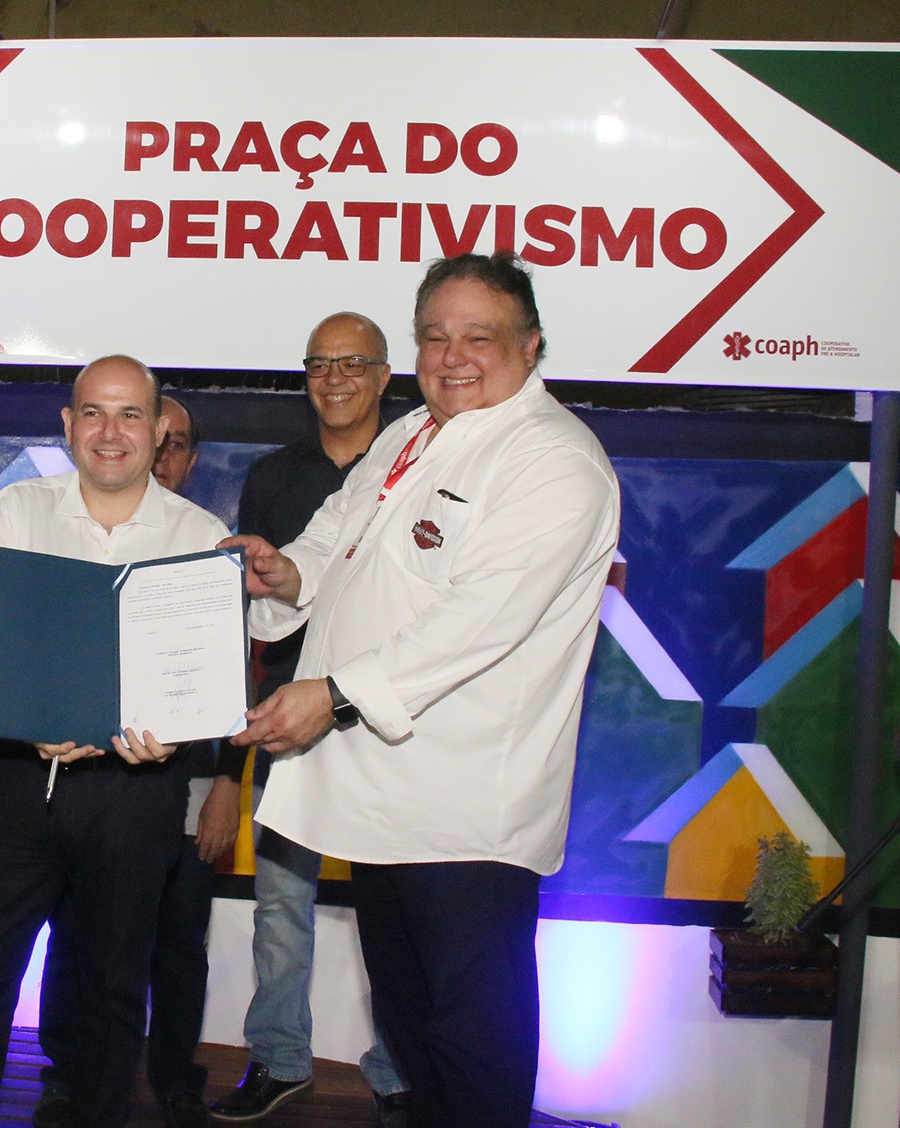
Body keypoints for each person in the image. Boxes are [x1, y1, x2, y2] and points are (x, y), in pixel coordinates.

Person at [223, 253, 620, 1128]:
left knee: (473, 1040)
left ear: (532, 344)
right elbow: (337, 537)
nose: (453, 357)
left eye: (480, 336)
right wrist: (286, 573)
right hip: (377, 803)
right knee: (409, 1030)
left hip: (466, 814)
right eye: (435, 337)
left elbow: (479, 622)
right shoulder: (409, 434)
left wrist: (328, 694)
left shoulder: (554, 461)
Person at [0, 357, 233, 1128]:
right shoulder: (19, 510)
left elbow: (205, 684)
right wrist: (31, 698)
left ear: (160, 429)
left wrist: (177, 729)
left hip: (136, 794)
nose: (110, 432)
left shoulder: (201, 536)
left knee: (114, 987)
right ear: (66, 425)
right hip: (21, 782)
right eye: (92, 412)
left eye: (130, 414)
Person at [211, 314, 406, 1126]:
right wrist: (230, 765)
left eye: (352, 363)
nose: (334, 378)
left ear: (385, 374)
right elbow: (250, 614)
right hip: (289, 719)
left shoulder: (411, 466)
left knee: (397, 911)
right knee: (280, 908)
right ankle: (282, 1060)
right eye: (319, 363)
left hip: (385, 720)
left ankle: (398, 1075)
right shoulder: (273, 476)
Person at [36, 395, 246, 1128]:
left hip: (186, 786)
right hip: (91, 782)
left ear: (179, 451)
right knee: (77, 936)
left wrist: (226, 782)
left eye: (177, 444)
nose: (163, 456)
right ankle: (67, 1074)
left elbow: (238, 678)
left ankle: (175, 1079)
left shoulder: (212, 544)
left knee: (179, 938)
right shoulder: (84, 537)